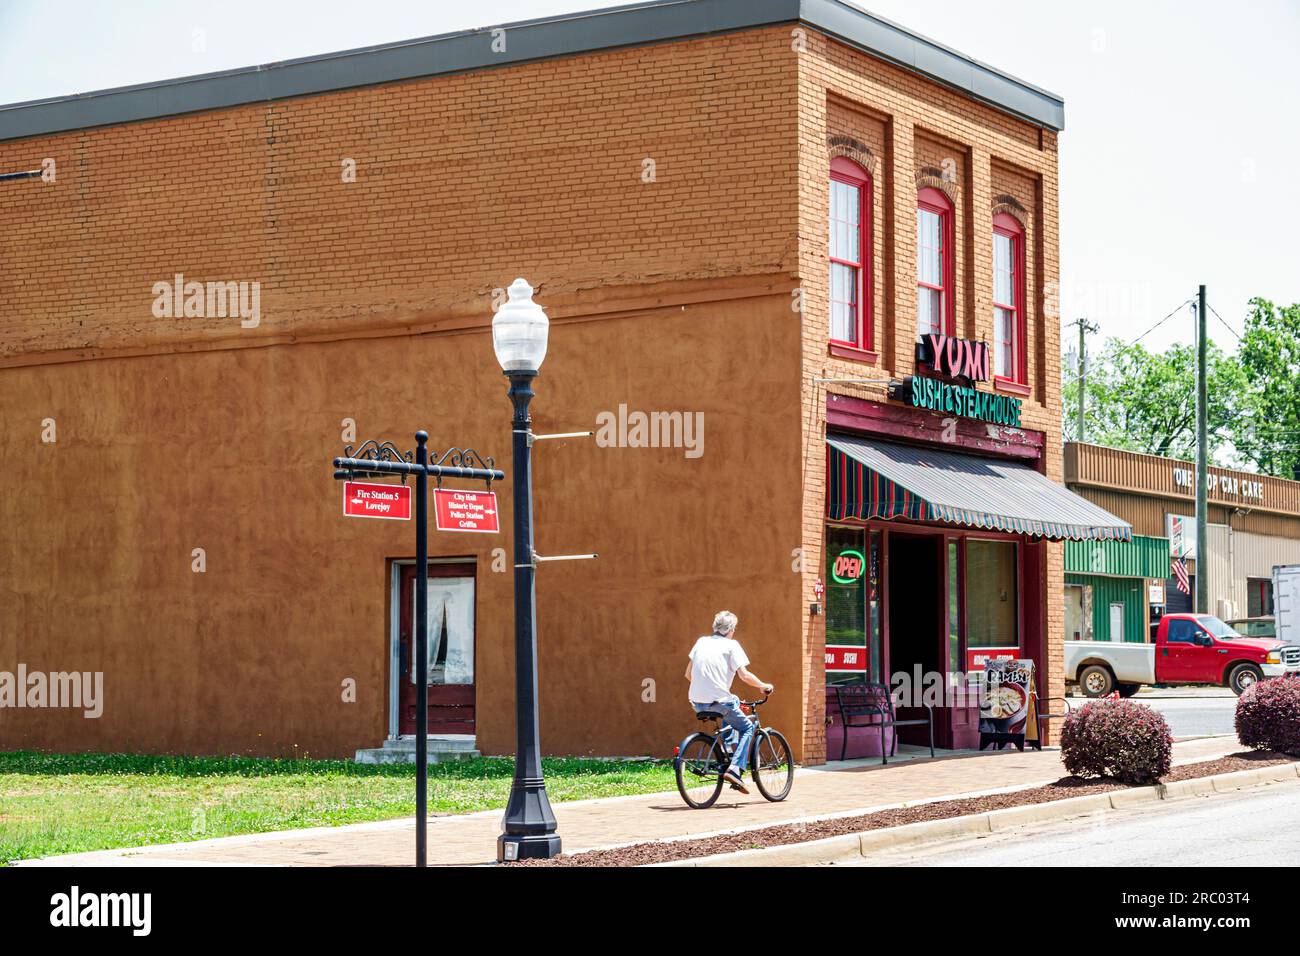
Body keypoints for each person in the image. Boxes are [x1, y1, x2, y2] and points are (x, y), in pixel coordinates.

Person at [684, 611, 773, 794]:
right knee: (747, 727)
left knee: (732, 702)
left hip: (697, 702)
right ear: (731, 629)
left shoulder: (701, 642)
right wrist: (763, 685)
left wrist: (706, 689)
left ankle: (730, 753)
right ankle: (734, 770)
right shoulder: (732, 645)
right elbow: (744, 675)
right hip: (719, 702)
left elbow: (688, 675)